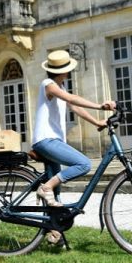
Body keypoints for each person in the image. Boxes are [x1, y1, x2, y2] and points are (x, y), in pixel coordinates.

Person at [31, 49, 115, 245]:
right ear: (63, 71)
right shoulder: (49, 85)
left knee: (57, 194)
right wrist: (100, 106)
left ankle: (55, 232)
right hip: (46, 141)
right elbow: (71, 99)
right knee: (84, 164)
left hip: (54, 142)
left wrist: (96, 122)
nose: (69, 73)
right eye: (67, 70)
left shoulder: (59, 85)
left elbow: (74, 107)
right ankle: (46, 187)